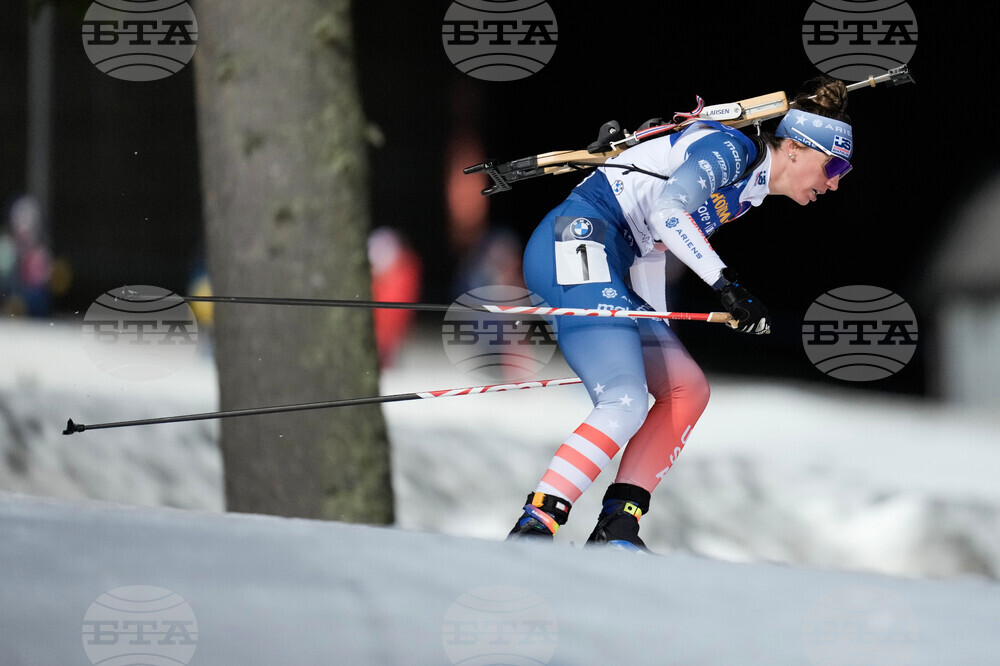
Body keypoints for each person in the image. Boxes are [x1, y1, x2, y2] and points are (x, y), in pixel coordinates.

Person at [507, 76, 853, 551]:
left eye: (843, 172)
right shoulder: (732, 150)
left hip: (613, 257)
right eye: (833, 165)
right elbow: (668, 216)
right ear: (793, 148)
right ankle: (537, 522)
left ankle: (618, 526)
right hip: (577, 238)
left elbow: (654, 247)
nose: (834, 182)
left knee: (686, 390)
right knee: (624, 401)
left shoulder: (747, 190)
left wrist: (655, 327)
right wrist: (727, 286)